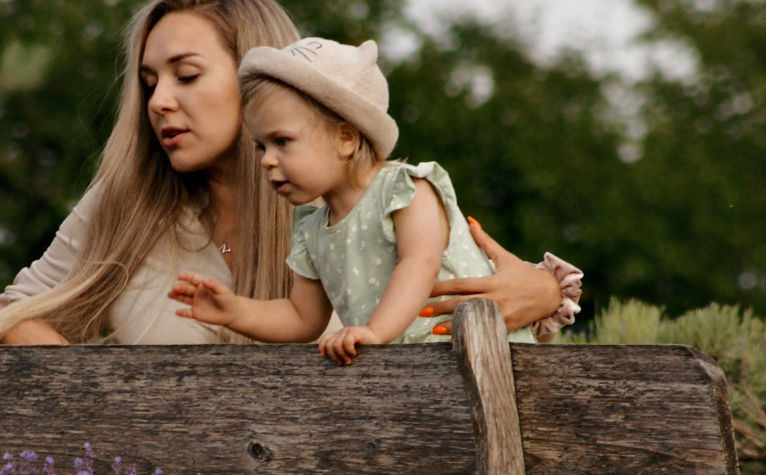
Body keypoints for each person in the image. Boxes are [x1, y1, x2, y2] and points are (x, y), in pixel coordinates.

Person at [0, 0, 675, 475]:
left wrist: (541, 294)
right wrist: (105, 401)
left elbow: (450, 300)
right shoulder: (125, 206)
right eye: (149, 80)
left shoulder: (347, 207)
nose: (160, 101)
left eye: (186, 75)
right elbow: (9, 312)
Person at [168, 34, 575, 363]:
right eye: (261, 147)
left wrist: (376, 332)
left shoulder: (403, 189)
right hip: (409, 378)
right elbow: (302, 318)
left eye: (282, 141)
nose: (267, 161)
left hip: (485, 360)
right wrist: (235, 311)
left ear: (345, 137)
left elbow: (421, 261)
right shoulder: (313, 229)